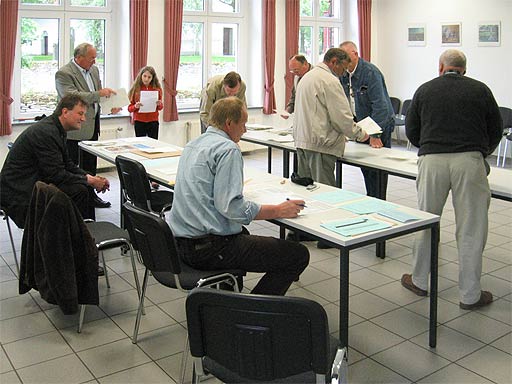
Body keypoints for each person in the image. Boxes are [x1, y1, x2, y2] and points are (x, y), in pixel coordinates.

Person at [169, 97, 310, 296]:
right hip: (209, 248)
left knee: (243, 234)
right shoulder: (228, 149)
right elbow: (231, 208)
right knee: (297, 254)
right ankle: (254, 311)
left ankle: (229, 296)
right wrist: (278, 210)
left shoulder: (193, 144)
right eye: (242, 124)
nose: (244, 130)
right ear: (229, 123)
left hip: (180, 243)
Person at [401, 49, 502, 310]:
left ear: (440, 67)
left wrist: (429, 145)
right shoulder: (481, 90)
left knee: (426, 220)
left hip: (432, 160)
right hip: (469, 161)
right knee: (471, 228)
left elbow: (412, 129)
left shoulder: (424, 90)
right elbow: (496, 129)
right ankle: (470, 295)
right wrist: (482, 153)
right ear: (464, 70)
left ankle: (420, 281)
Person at [0, 94, 110, 228]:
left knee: (83, 186)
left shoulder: (55, 128)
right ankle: (79, 237)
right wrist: (90, 181)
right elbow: (56, 175)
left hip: (28, 184)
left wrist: (90, 178)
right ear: (65, 112)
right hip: (20, 196)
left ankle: (80, 235)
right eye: (80, 114)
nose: (83, 118)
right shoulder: (47, 132)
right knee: (80, 190)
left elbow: (67, 164)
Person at [55, 42, 120, 208]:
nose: (94, 62)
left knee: (90, 164)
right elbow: (72, 97)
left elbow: (97, 96)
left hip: (92, 124)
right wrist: (99, 94)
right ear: (79, 57)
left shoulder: (94, 71)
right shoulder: (64, 73)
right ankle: (73, 199)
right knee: (72, 165)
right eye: (91, 58)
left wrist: (109, 104)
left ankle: (91, 196)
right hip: (74, 129)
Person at [294, 47, 369, 187]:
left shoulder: (307, 77)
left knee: (307, 190)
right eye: (344, 68)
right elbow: (341, 117)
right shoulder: (329, 81)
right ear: (334, 62)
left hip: (303, 141)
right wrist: (360, 134)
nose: (344, 72)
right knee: (324, 193)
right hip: (320, 146)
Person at [339, 41, 395, 199]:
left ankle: (378, 200)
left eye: (346, 56)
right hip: (361, 125)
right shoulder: (344, 74)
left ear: (355, 54)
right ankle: (371, 197)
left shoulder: (370, 72)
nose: (343, 60)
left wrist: (374, 135)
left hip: (379, 125)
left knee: (377, 170)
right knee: (366, 167)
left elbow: (381, 107)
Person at [127, 66, 163, 139]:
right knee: (141, 143)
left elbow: (160, 107)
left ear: (153, 78)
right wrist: (135, 106)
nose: (146, 79)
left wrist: (159, 104)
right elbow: (129, 108)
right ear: (141, 76)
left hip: (153, 120)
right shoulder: (135, 89)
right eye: (144, 76)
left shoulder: (157, 89)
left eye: (149, 77)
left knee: (153, 143)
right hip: (139, 121)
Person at [282, 54, 312, 118]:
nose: (295, 73)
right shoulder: (297, 77)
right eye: (292, 71)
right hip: (301, 116)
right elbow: (294, 96)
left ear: (305, 64)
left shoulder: (316, 76)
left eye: (296, 70)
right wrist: (288, 110)